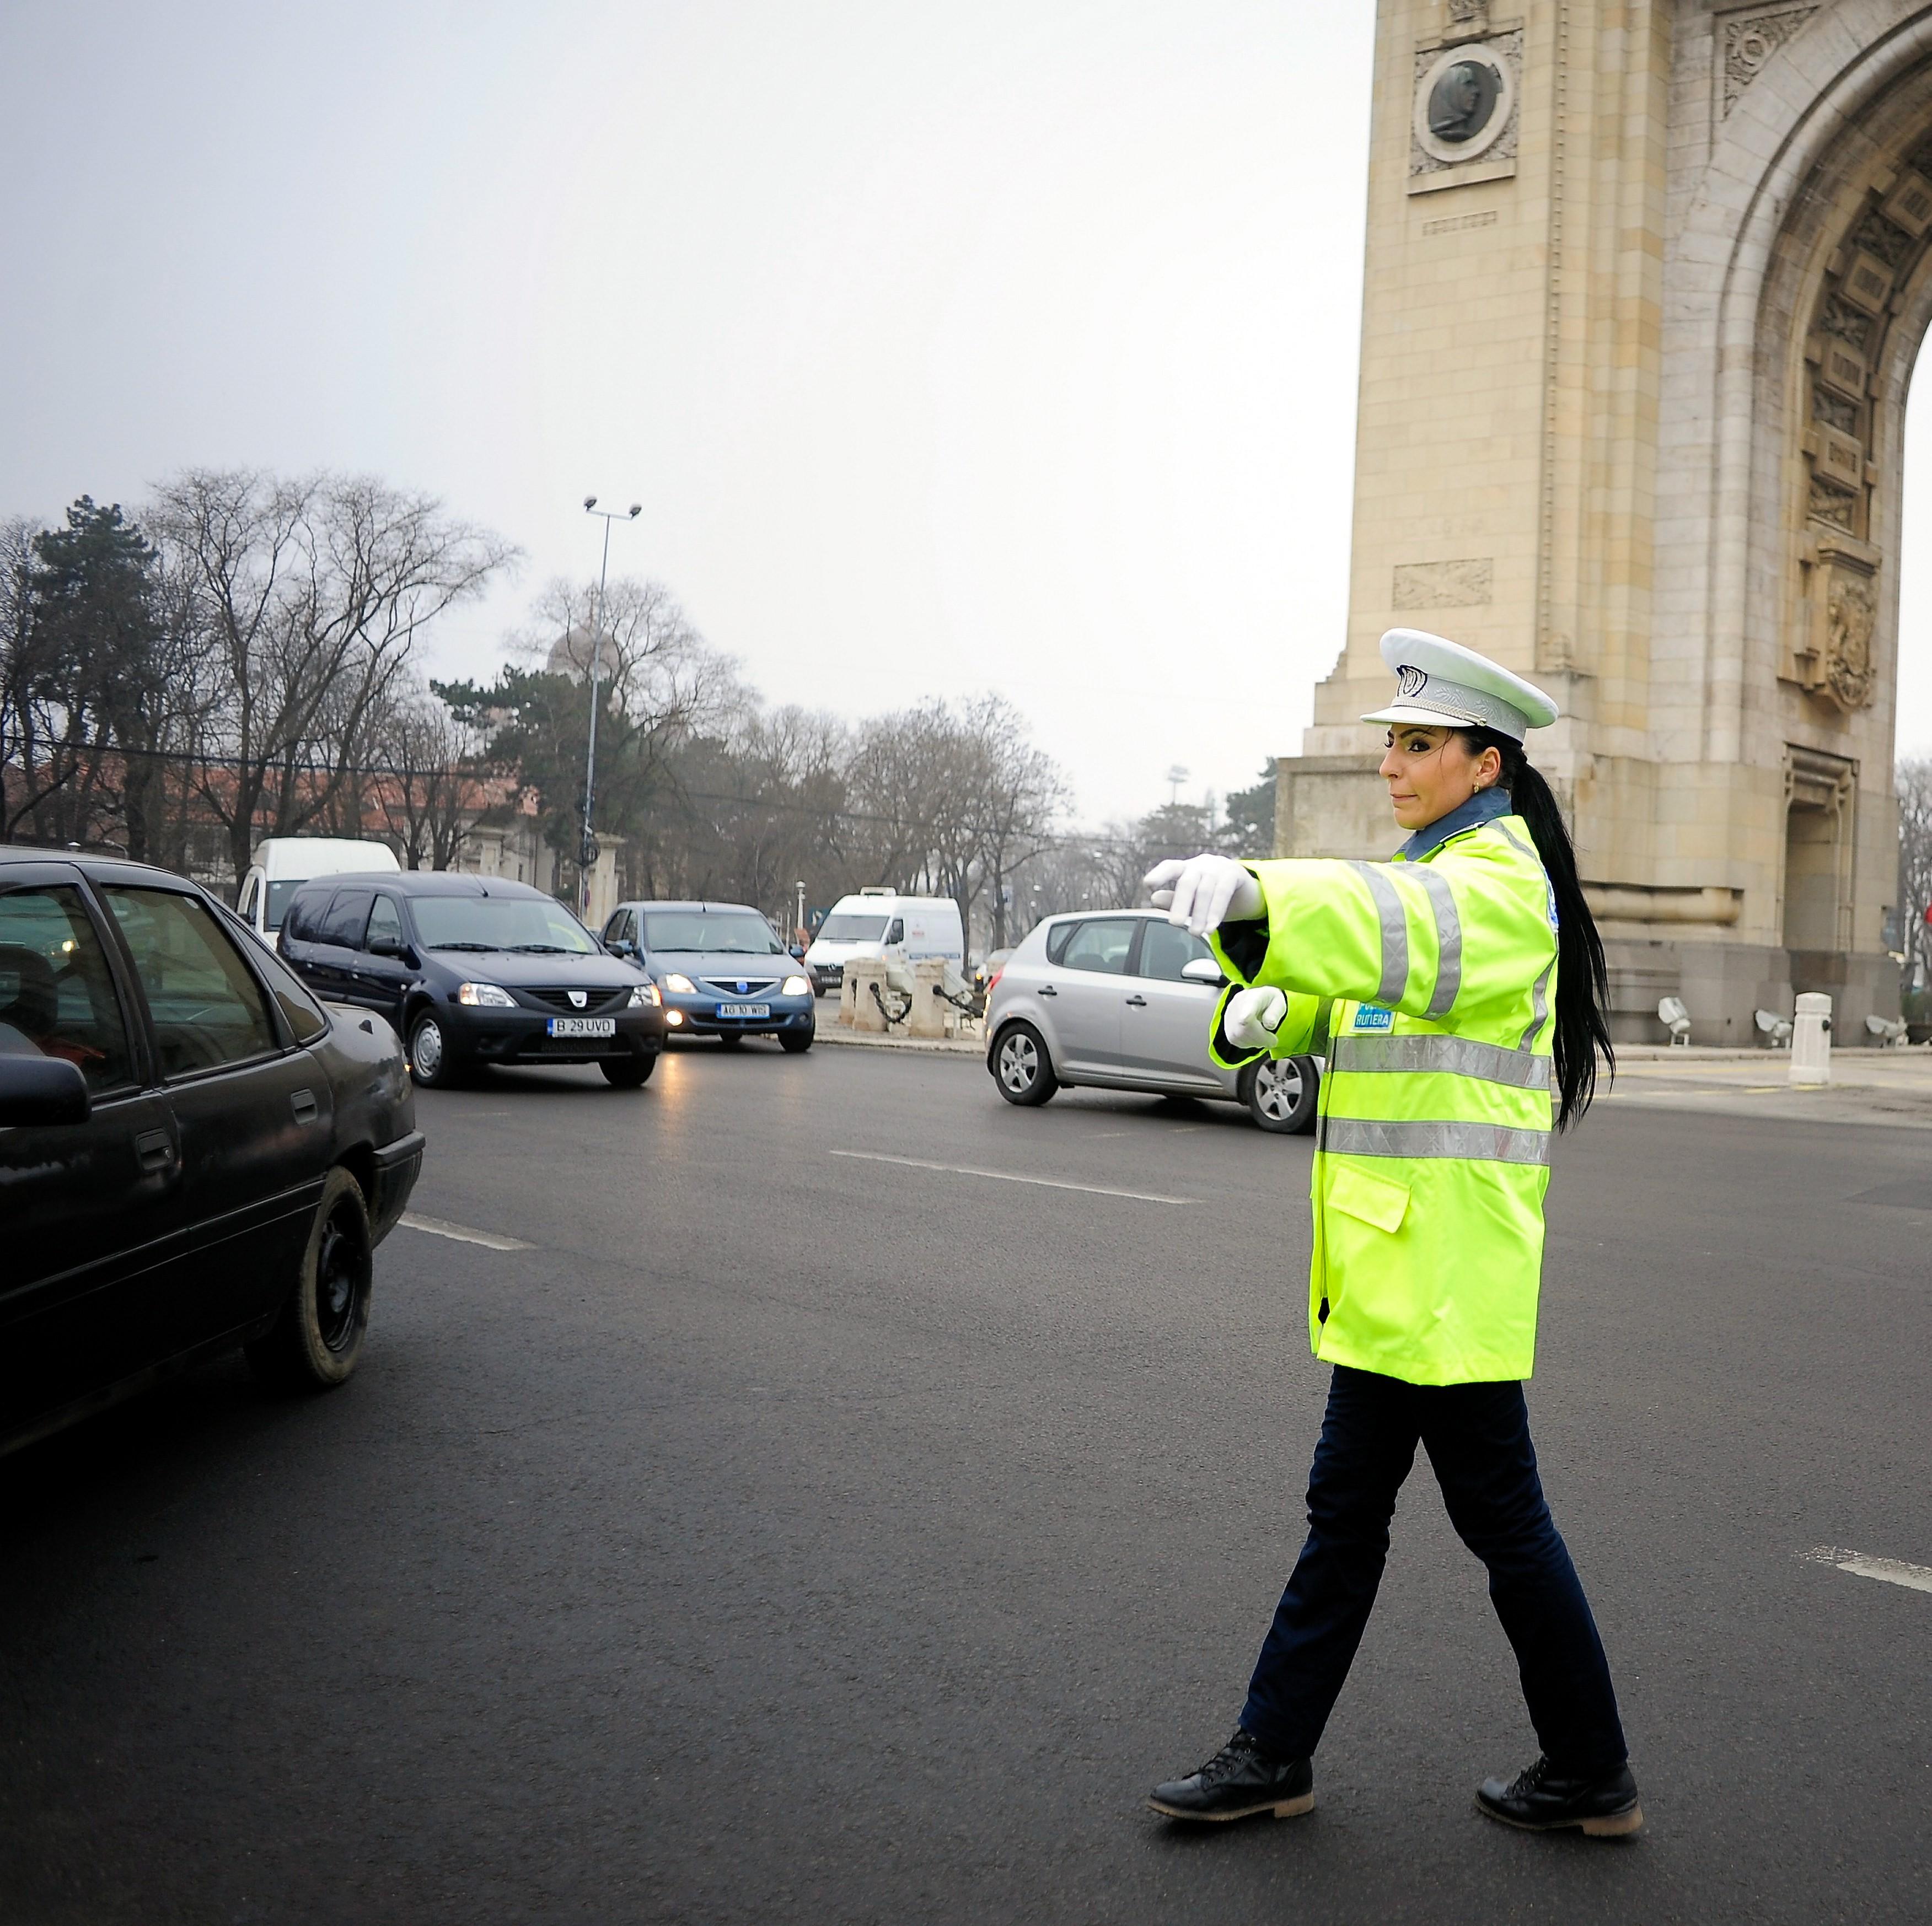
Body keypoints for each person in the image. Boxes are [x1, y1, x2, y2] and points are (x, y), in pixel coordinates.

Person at [1140, 627, 1640, 1839]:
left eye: (1418, 745)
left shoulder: (1498, 881)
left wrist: (1264, 896)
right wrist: (1275, 1011)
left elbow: (1401, 933)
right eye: (1393, 744)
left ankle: (1579, 1768)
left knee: (1489, 1525)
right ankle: (1288, 1751)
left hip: (1444, 1279)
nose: (1392, 765)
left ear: (1486, 763)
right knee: (1364, 1514)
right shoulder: (1442, 870)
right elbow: (1378, 985)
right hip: (1401, 1269)